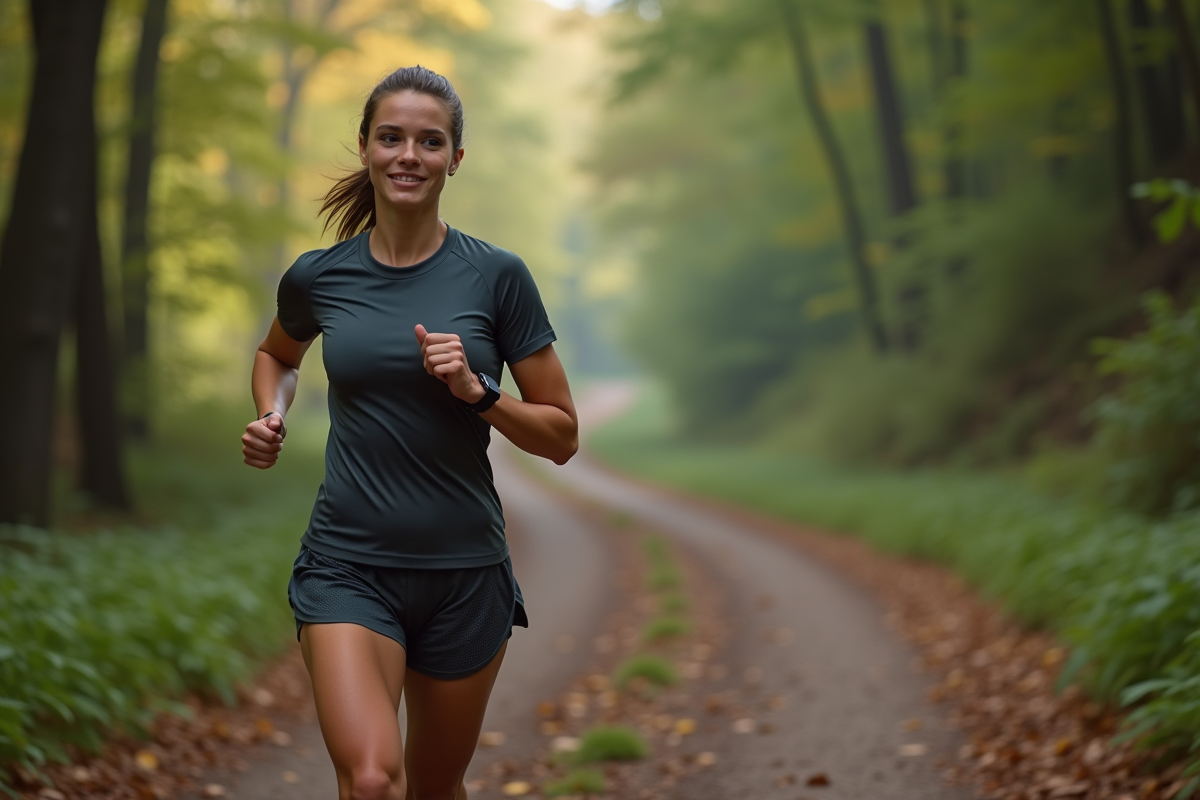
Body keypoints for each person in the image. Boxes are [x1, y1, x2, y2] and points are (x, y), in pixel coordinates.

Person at [240, 65, 578, 800]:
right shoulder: (320, 277)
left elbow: (560, 436)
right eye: (391, 137)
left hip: (465, 574)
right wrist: (273, 411)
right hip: (347, 565)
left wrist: (479, 392)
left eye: (430, 141)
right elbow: (277, 355)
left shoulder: (497, 277)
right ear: (365, 146)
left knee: (431, 785)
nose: (408, 155)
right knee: (370, 779)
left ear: (455, 158)